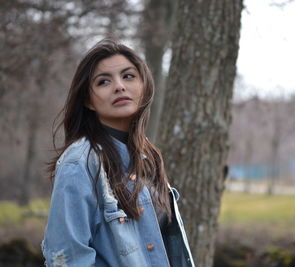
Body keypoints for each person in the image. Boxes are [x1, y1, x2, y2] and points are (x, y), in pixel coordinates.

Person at [41, 38, 194, 267]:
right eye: (103, 82)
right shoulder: (79, 163)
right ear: (89, 101)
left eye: (128, 76)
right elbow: (66, 258)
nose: (119, 86)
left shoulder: (146, 158)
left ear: (143, 86)